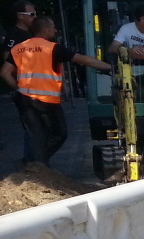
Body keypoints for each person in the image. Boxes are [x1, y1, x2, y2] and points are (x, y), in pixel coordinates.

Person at [1, 17, 111, 166]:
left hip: (25, 100)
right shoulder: (52, 48)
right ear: (45, 30)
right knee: (60, 134)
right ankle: (36, 166)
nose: (55, 30)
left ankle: (35, 165)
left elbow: (5, 72)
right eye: (53, 27)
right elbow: (83, 60)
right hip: (46, 102)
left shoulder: (19, 48)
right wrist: (110, 68)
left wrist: (18, 88)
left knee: (37, 137)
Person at [3, 0, 38, 154]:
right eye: (32, 14)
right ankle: (31, 161)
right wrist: (20, 85)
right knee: (32, 126)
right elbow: (8, 61)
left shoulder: (29, 33)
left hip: (36, 86)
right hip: (26, 87)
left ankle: (36, 161)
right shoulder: (14, 35)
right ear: (20, 16)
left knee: (38, 126)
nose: (35, 17)